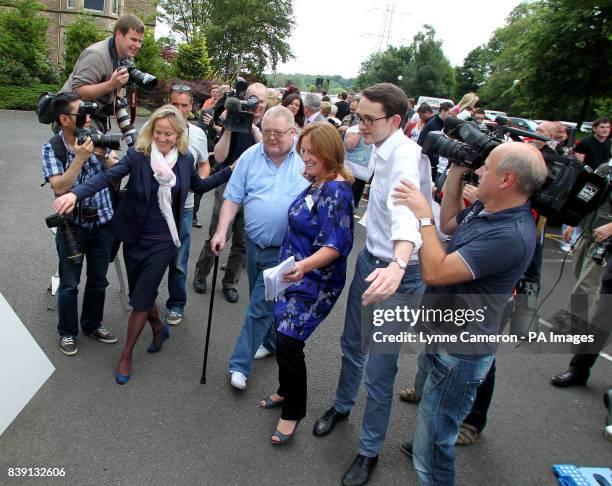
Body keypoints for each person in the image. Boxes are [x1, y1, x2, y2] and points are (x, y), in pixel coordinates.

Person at [392, 142, 547, 485]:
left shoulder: (510, 235)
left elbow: (435, 270)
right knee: (432, 424)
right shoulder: (487, 208)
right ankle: (426, 440)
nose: (479, 171)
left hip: (460, 353)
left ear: (506, 179)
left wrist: (421, 215)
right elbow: (448, 224)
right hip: (444, 334)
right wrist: (455, 176)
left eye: (486, 168)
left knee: (434, 447)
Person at [53, 105, 234, 384]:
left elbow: (198, 186)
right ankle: (158, 327)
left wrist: (230, 171)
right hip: (135, 238)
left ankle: (126, 353)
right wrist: (75, 194)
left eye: (169, 134)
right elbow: (106, 177)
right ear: (151, 132)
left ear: (179, 135)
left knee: (140, 298)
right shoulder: (139, 157)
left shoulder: (185, 161)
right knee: (143, 293)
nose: (163, 139)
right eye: (158, 133)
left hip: (164, 240)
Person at [312, 83, 432, 486]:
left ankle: (368, 451)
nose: (360, 124)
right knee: (351, 344)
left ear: (395, 121)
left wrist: (398, 262)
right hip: (371, 260)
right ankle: (342, 405)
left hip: (398, 273)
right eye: (358, 116)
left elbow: (405, 214)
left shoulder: (405, 157)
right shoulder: (382, 148)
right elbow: (365, 177)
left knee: (381, 369)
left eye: (368, 119)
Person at [259, 122, 355, 445]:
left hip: (315, 281)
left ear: (329, 152)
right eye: (303, 151)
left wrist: (302, 266)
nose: (306, 157)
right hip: (292, 273)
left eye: (312, 152)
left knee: (288, 341)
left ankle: (294, 411)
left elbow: (336, 245)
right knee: (283, 335)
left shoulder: (336, 191)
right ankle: (286, 391)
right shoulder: (318, 181)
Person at [210, 106, 310, 391]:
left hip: (285, 252)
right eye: (266, 132)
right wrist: (221, 231)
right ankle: (269, 342)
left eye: (278, 133)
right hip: (254, 245)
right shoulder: (250, 157)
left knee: (258, 307)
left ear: (293, 131)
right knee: (263, 301)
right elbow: (233, 198)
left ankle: (239, 366)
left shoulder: (306, 159)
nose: (272, 138)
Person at [42, 92, 119, 356]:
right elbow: (60, 187)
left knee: (99, 281)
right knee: (69, 283)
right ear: (64, 119)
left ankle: (92, 324)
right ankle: (67, 332)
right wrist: (79, 159)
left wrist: (103, 156)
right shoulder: (53, 147)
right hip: (71, 226)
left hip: (103, 222)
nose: (86, 118)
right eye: (80, 113)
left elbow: (115, 169)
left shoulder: (94, 134)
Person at [193, 83, 268, 303]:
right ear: (246, 98)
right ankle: (201, 273)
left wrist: (253, 127)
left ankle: (230, 282)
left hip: (256, 191)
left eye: (261, 102)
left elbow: (268, 150)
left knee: (243, 243)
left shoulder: (267, 125)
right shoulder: (235, 119)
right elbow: (220, 156)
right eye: (253, 100)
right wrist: (229, 127)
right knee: (218, 234)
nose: (257, 106)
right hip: (228, 186)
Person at [163, 84, 211, 326]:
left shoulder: (199, 134)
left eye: (184, 105)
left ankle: (176, 304)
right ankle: (144, 300)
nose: (179, 110)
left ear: (191, 107)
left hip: (185, 207)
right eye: (175, 104)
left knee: (179, 260)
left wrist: (198, 182)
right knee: (151, 256)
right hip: (158, 206)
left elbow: (205, 164)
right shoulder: (156, 129)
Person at [61, 14, 144, 132]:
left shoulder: (126, 58)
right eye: (133, 39)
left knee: (115, 145)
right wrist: (111, 85)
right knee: (100, 148)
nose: (137, 46)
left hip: (95, 115)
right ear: (119, 34)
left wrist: (129, 132)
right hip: (72, 116)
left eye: (140, 41)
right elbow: (78, 92)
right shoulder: (96, 55)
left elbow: (118, 99)